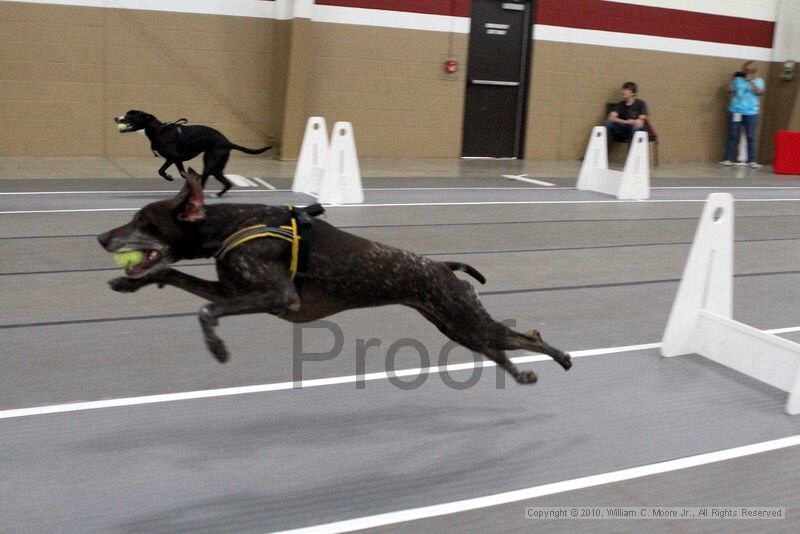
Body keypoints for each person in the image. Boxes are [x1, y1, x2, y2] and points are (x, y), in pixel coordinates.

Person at [719, 61, 765, 168]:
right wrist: (732, 80)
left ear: (753, 71)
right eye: (744, 70)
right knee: (732, 135)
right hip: (736, 111)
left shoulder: (759, 81)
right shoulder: (738, 80)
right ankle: (728, 159)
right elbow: (728, 90)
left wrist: (751, 82)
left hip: (751, 113)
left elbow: (759, 92)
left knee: (750, 136)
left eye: (747, 71)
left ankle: (752, 160)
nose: (744, 72)